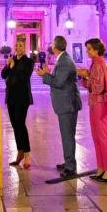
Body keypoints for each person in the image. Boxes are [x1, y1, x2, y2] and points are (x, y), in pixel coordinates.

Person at [36, 35, 82, 178]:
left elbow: (59, 82)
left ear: (55, 47)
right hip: (66, 102)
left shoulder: (65, 61)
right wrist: (48, 74)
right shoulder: (62, 59)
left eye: (52, 44)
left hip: (67, 104)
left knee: (67, 135)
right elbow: (60, 79)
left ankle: (70, 167)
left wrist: (44, 75)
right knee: (67, 135)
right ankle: (68, 161)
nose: (50, 47)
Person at [77, 38, 107, 183]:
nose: (87, 51)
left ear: (96, 50)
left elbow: (97, 87)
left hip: (99, 103)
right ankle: (101, 167)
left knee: (101, 136)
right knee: (96, 136)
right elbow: (91, 85)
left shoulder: (99, 64)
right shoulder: (95, 63)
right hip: (94, 102)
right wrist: (85, 77)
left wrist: (86, 75)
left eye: (89, 49)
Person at [1, 40, 34, 169]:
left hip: (22, 97)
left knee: (20, 124)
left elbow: (23, 77)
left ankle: (27, 154)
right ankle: (20, 151)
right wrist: (8, 65)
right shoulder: (12, 59)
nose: (18, 48)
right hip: (11, 97)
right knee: (15, 126)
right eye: (16, 45)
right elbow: (4, 75)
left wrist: (13, 67)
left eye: (20, 46)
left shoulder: (28, 62)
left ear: (24, 48)